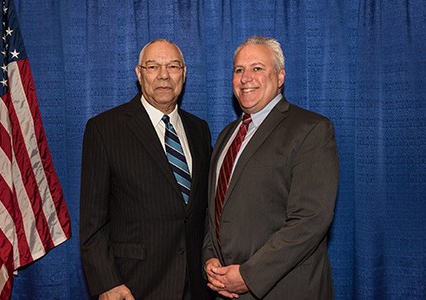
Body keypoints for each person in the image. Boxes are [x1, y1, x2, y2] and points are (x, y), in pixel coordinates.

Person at [203, 36, 339, 299]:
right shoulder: (225, 136)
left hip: (285, 290)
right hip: (226, 291)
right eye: (239, 70)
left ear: (280, 77)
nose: (246, 78)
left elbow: (310, 220)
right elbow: (215, 209)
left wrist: (249, 276)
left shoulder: (311, 130)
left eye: (257, 68)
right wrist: (209, 258)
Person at [80, 39, 213, 300]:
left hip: (197, 287)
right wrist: (107, 283)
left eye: (173, 66)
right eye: (153, 66)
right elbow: (92, 222)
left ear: (184, 74)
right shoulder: (105, 129)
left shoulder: (199, 129)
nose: (164, 75)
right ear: (139, 74)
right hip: (133, 286)